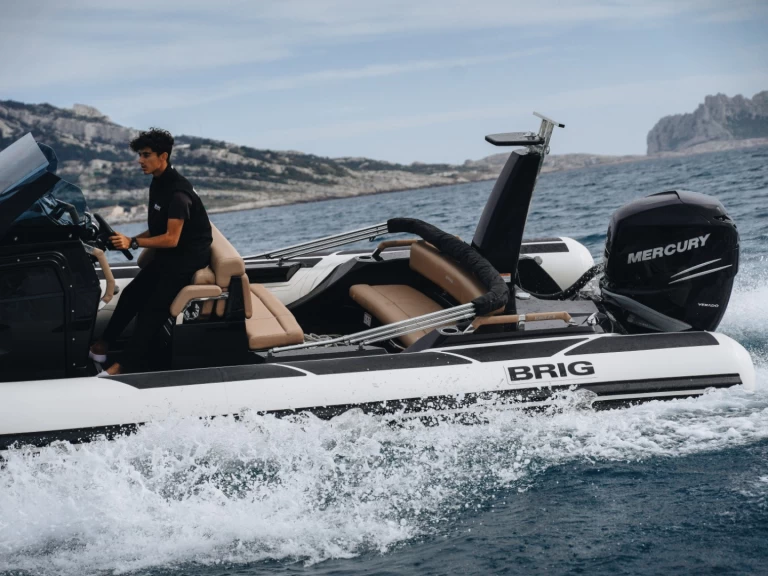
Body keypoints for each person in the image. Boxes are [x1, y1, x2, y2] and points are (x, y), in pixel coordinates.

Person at [90, 128, 213, 375]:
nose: (140, 160)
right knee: (131, 295)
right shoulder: (158, 182)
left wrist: (133, 243)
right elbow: (158, 229)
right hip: (172, 255)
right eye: (140, 155)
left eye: (146, 155)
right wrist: (129, 240)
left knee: (151, 311)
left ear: (163, 156)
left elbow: (171, 238)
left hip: (187, 258)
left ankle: (122, 367)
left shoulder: (178, 193)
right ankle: (101, 346)